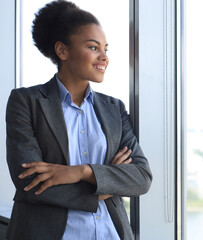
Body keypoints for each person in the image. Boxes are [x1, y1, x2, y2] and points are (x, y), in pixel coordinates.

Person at [5, 1, 152, 239]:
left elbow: (141, 178)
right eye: (93, 48)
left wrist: (82, 172)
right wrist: (106, 185)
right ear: (62, 51)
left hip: (110, 232)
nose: (104, 57)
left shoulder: (114, 108)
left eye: (106, 49)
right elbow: (31, 185)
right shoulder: (26, 101)